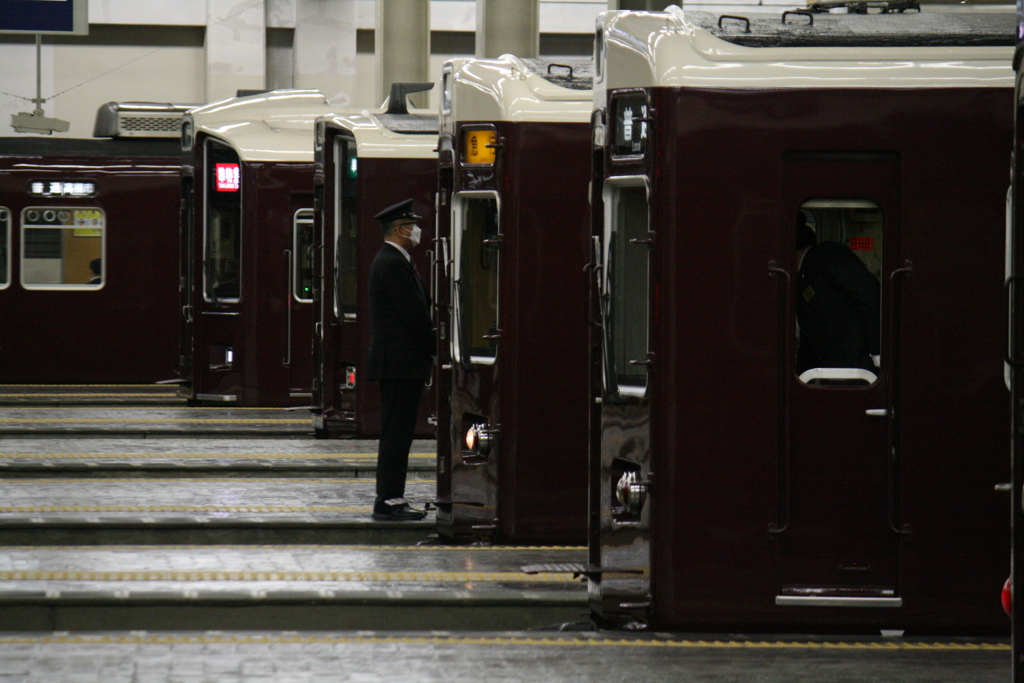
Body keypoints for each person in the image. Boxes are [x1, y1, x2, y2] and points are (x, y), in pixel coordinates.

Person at [367, 198, 435, 521]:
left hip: (401, 364)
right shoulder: (392, 263)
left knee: (398, 432)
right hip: (400, 364)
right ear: (399, 229)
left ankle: (392, 495)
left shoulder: (394, 260)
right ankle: (389, 499)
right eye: (412, 225)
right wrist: (438, 347)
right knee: (396, 433)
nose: (416, 230)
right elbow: (415, 317)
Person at [795, 221, 880, 375]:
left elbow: (868, 292)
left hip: (855, 361)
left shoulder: (826, 254)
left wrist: (877, 351)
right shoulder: (803, 276)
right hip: (833, 365)